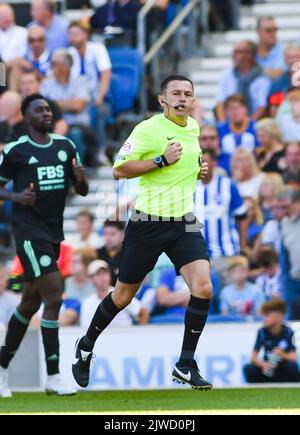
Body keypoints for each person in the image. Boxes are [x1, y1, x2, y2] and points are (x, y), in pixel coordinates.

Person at [72, 75, 213, 391]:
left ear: (193, 100)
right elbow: (119, 169)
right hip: (148, 221)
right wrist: (161, 160)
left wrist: (205, 171)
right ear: (162, 99)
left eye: (188, 93)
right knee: (123, 296)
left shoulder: (193, 128)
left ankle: (185, 364)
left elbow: (199, 170)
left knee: (203, 287)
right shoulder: (148, 129)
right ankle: (86, 344)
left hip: (184, 222)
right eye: (175, 92)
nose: (182, 97)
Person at [0, 93, 89, 398]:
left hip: (53, 233)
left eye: (48, 109)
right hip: (28, 232)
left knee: (29, 304)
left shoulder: (66, 146)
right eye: (39, 110)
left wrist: (81, 179)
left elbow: (82, 189)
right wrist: (16, 197)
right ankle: (53, 376)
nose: (46, 113)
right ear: (27, 117)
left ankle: (0, 369)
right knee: (54, 294)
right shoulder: (16, 150)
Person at [194, 148, 248, 261]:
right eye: (199, 161)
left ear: (214, 163)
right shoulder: (189, 188)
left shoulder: (228, 185)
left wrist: (243, 247)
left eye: (206, 161)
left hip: (226, 253)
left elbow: (242, 216)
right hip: (197, 257)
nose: (202, 165)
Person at [68, 21, 112, 157]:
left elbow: (105, 73)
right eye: (70, 34)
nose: (72, 38)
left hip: (97, 98)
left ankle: (100, 152)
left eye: (76, 34)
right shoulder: (68, 53)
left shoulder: (97, 48)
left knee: (98, 111)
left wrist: (100, 96)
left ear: (86, 34)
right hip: (77, 100)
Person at [244, 299, 300, 383]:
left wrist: (282, 354)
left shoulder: (289, 332)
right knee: (249, 369)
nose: (264, 318)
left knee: (292, 367)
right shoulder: (262, 332)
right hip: (267, 368)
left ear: (279, 316)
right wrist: (263, 364)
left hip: (283, 369)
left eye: (267, 315)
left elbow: (293, 357)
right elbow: (253, 358)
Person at [80, 260, 148, 328]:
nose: (103, 277)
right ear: (90, 279)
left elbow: (143, 313)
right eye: (98, 274)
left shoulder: (120, 293)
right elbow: (86, 328)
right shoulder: (87, 303)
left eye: (105, 273)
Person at [216, 41, 271, 122]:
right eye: (235, 52)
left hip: (255, 123)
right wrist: (223, 124)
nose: (235, 56)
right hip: (229, 122)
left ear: (251, 55)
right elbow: (220, 103)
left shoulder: (262, 77)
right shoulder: (227, 75)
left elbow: (262, 107)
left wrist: (248, 125)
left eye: (240, 52)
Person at [218, 94, 260, 174]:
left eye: (238, 108)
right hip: (226, 172)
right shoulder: (220, 130)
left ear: (245, 109)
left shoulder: (256, 128)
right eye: (231, 109)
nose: (235, 112)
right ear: (226, 112)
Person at [19, 70, 68, 136]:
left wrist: (51, 143)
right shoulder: (15, 105)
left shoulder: (49, 104)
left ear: (39, 84)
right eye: (23, 83)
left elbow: (61, 124)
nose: (27, 87)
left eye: (31, 83)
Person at [281, 189, 300, 313]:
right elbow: (284, 254)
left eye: (287, 206)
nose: (284, 210)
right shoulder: (285, 223)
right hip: (294, 280)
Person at [97, 219, 125, 287]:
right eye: (106, 234)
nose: (108, 238)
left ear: (122, 234)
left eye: (113, 234)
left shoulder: (129, 255)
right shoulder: (97, 254)